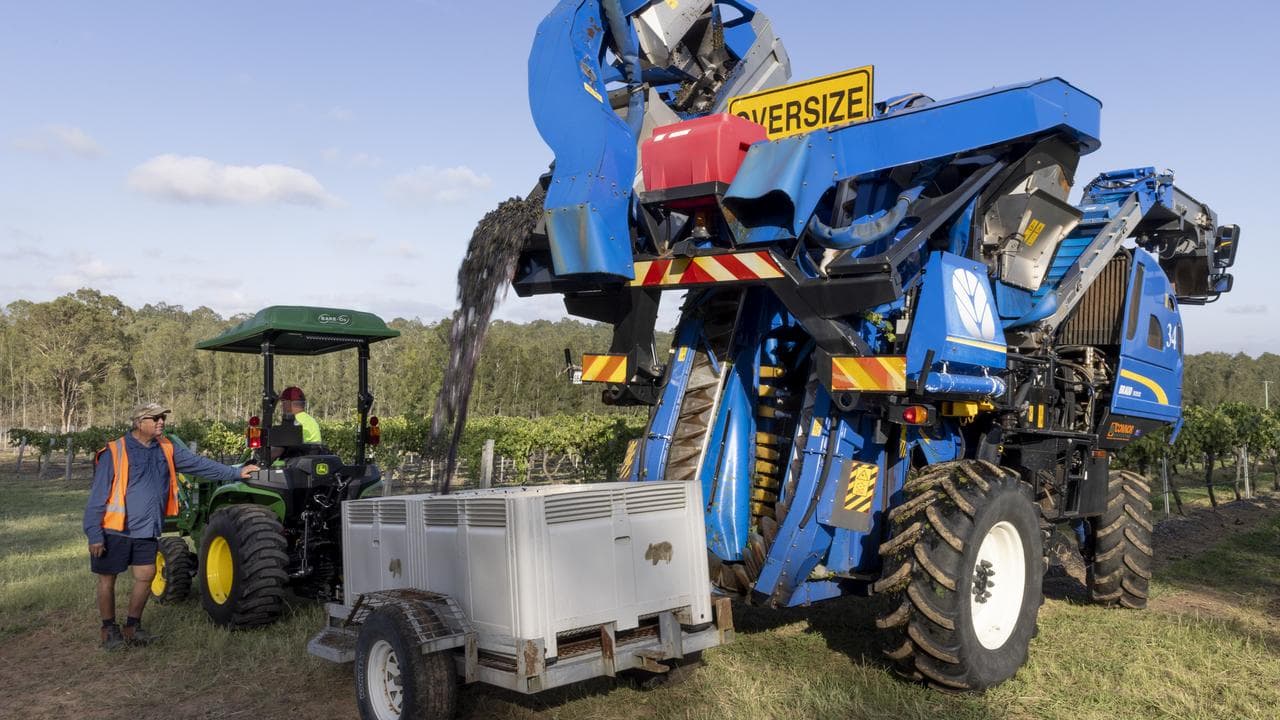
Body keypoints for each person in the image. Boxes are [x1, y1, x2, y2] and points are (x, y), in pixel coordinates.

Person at [83, 402, 259, 650]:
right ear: (139, 423)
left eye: (163, 418)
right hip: (114, 529)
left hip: (146, 529)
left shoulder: (166, 448)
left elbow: (200, 464)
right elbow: (97, 496)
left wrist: (235, 473)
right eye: (155, 418)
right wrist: (94, 533)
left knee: (146, 575)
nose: (161, 422)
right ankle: (109, 630)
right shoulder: (115, 451)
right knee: (107, 580)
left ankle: (132, 627)